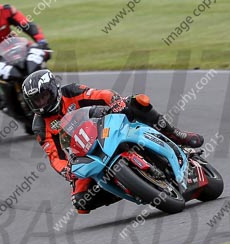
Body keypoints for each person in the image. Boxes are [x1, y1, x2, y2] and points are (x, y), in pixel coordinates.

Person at [22, 69, 203, 214]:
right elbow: (54, 155)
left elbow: (100, 94)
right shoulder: (40, 126)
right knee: (81, 201)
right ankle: (130, 186)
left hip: (104, 126)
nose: (41, 103)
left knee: (136, 102)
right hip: (85, 153)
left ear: (54, 89)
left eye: (44, 96)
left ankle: (175, 134)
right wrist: (66, 170)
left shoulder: (71, 91)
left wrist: (115, 101)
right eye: (36, 101)